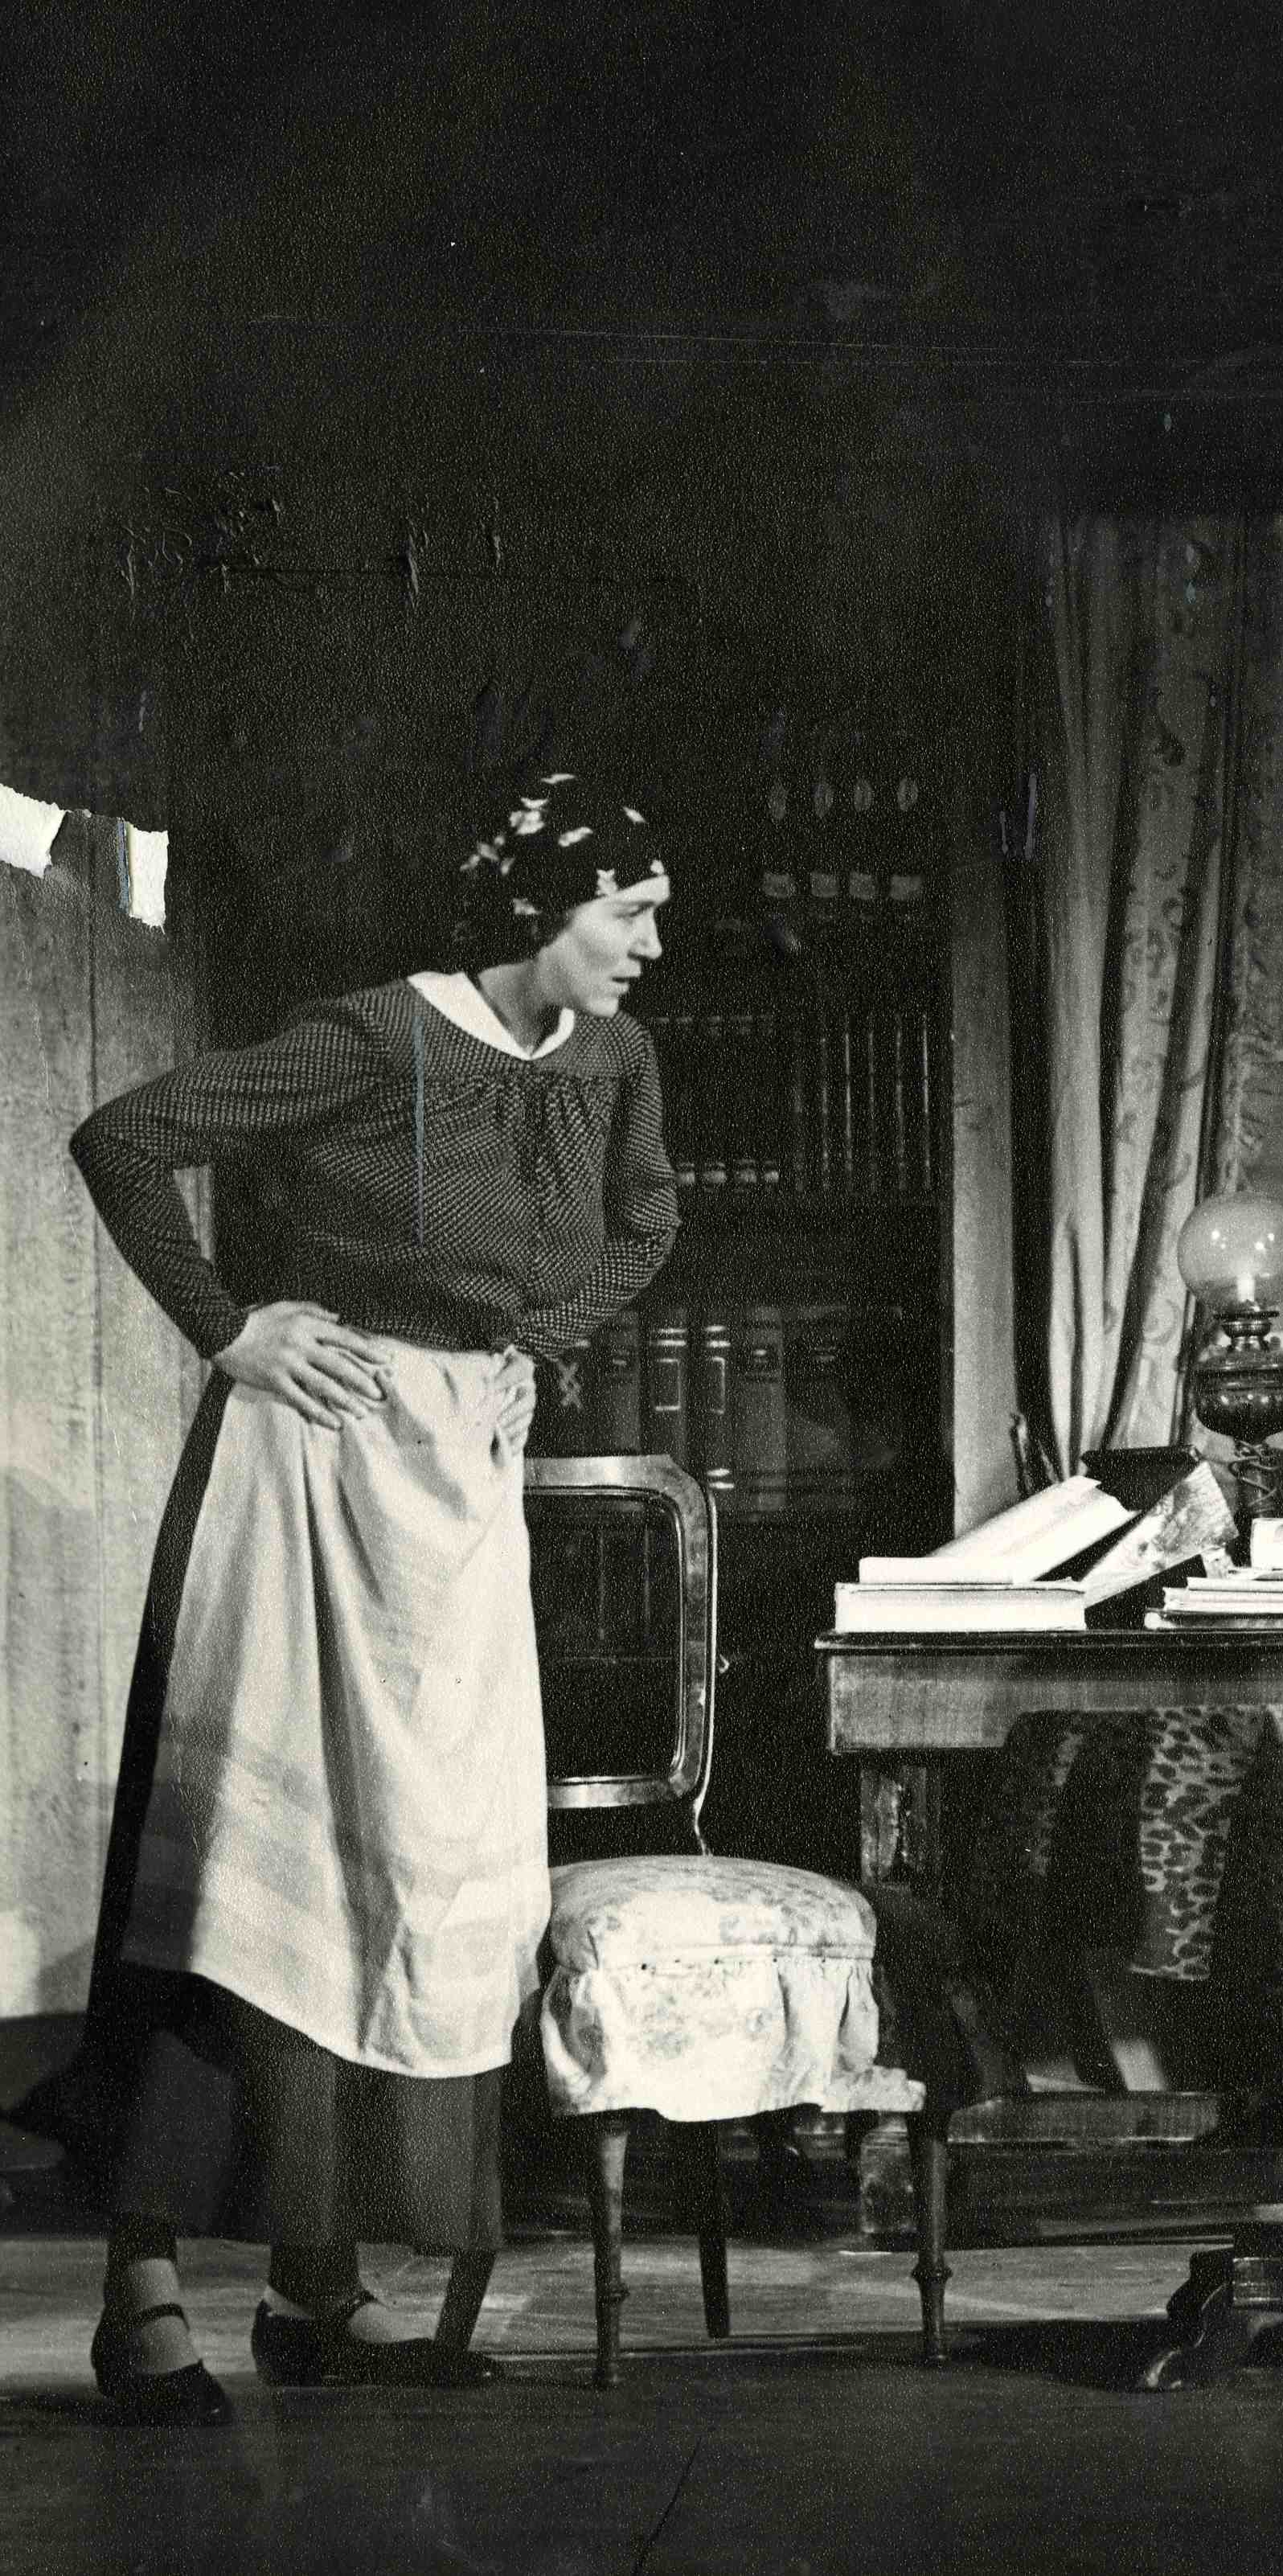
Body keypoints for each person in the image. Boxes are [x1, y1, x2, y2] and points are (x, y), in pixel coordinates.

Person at [12, 773, 678, 2424]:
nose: (649, 946)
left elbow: (648, 1220)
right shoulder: (377, 1040)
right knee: (251, 1871)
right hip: (307, 1471)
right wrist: (230, 1326)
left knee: (407, 1878)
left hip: (455, 1492)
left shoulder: (611, 1060)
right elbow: (123, 1137)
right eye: (626, 913)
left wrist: (538, 1342)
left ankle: (318, 2288)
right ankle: (142, 2292)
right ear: (539, 910)